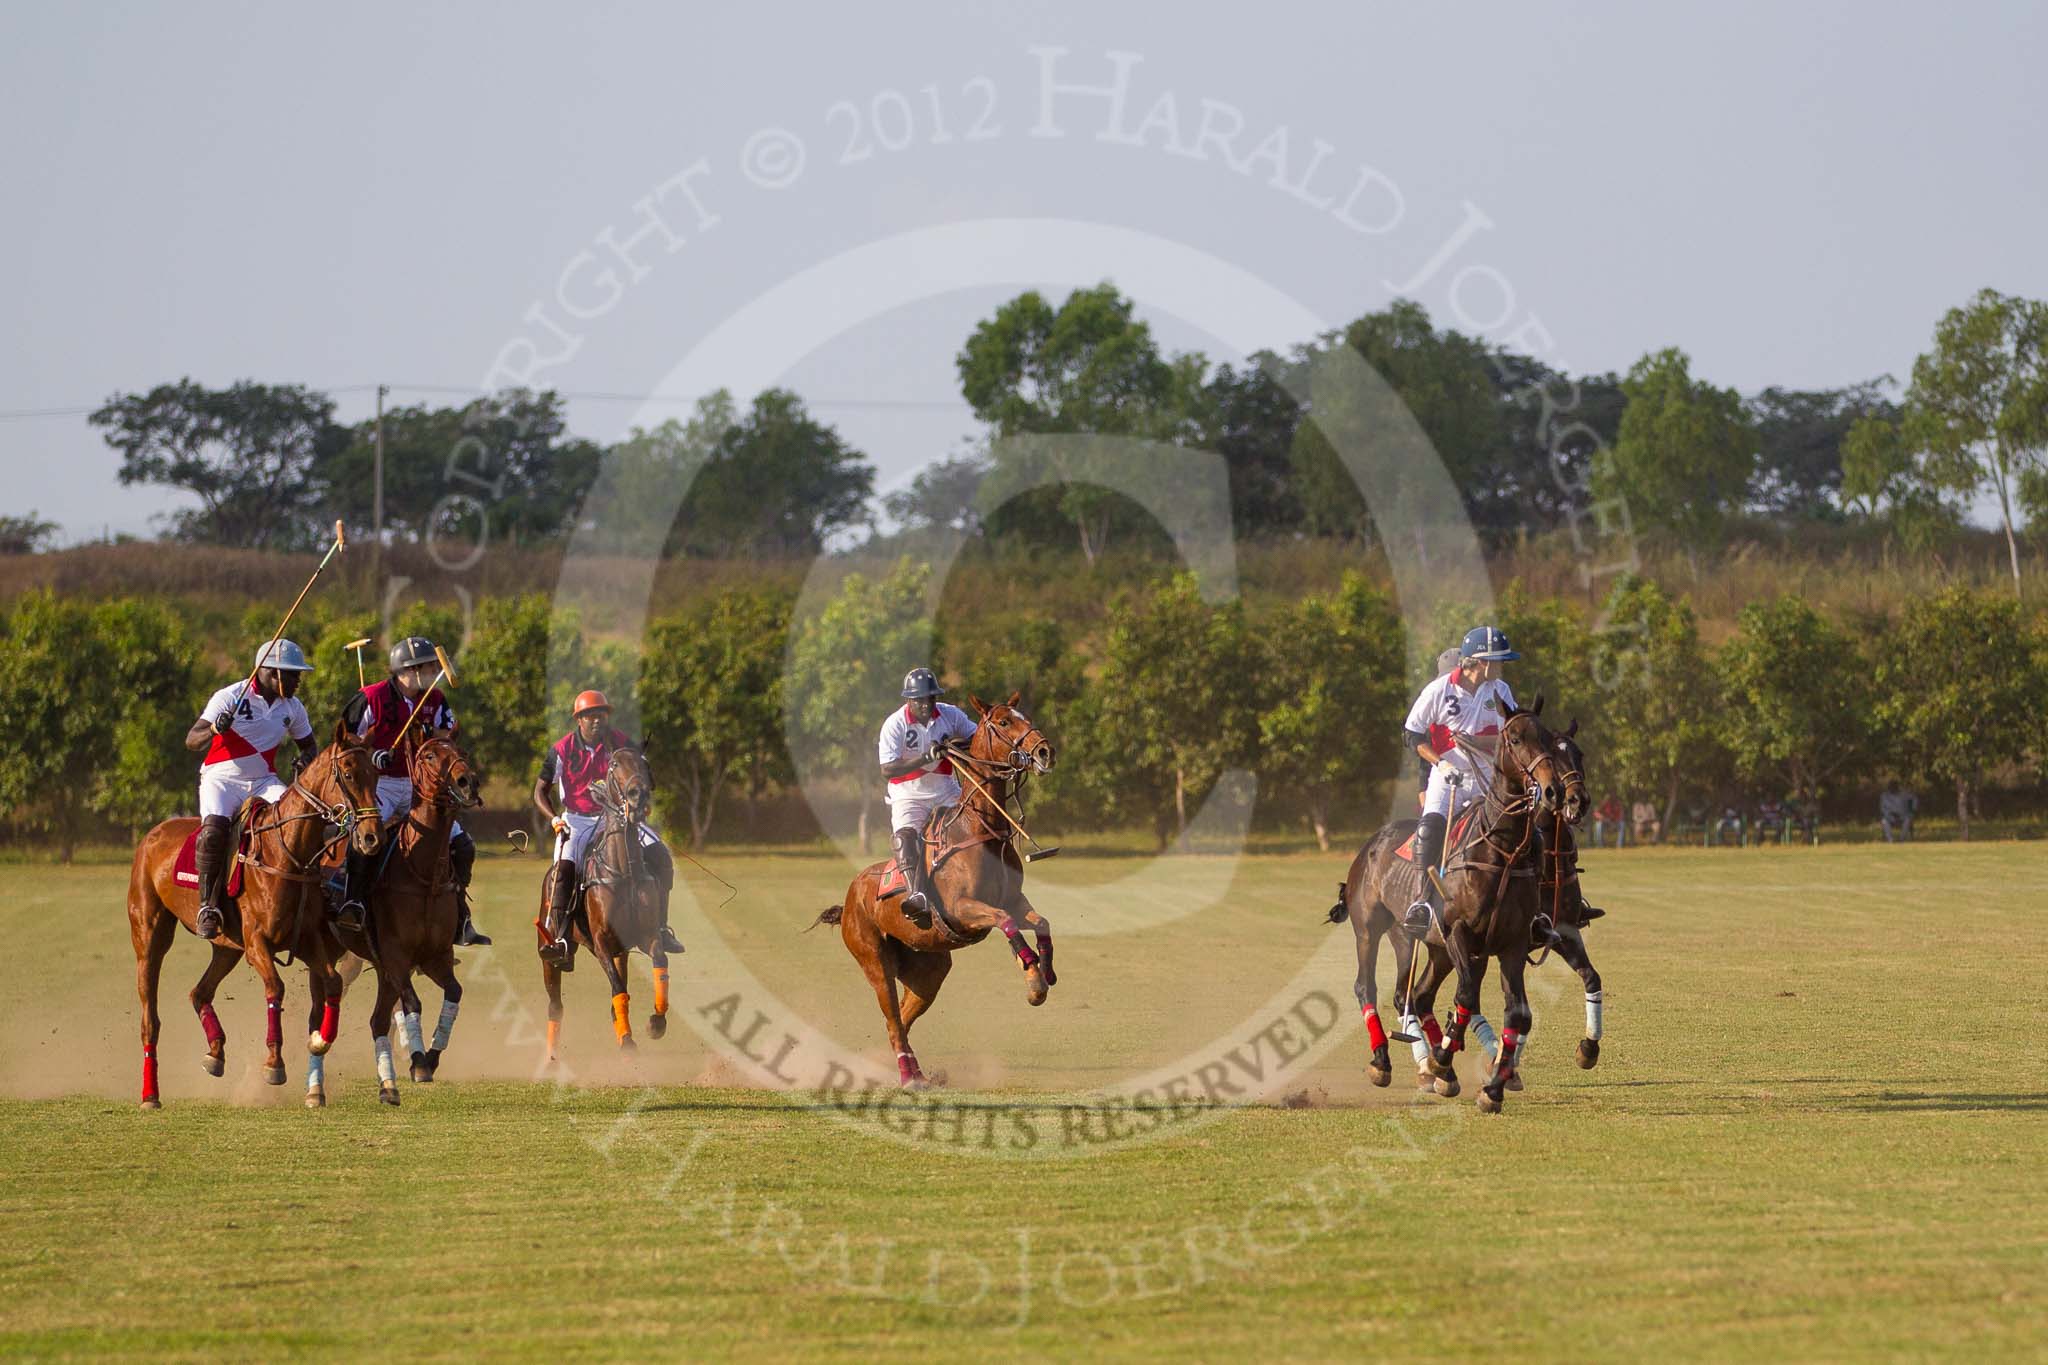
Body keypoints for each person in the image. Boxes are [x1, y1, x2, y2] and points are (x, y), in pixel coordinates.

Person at [339, 636, 488, 945]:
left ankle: (460, 916)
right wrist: (371, 754)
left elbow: (444, 740)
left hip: (418, 786)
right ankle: (353, 902)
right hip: (379, 785)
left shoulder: (434, 700)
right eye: (427, 667)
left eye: (434, 666)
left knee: (462, 845)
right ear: (406, 670)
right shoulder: (371, 697)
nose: (433, 672)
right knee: (366, 838)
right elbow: (344, 747)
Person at [533, 690, 683, 963]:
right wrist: (554, 818)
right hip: (576, 820)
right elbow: (540, 792)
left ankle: (661, 928)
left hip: (616, 815)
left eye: (601, 714)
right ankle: (560, 937)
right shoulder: (562, 749)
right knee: (563, 872)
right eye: (589, 715)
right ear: (578, 719)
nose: (596, 720)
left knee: (660, 855)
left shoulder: (620, 743)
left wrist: (640, 797)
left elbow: (643, 776)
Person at [182, 641, 319, 940]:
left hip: (263, 780)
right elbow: (192, 740)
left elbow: (310, 746)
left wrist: (306, 758)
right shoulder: (230, 696)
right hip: (222, 779)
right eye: (293, 675)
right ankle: (208, 906)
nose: (298, 681)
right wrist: (216, 728)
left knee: (301, 820)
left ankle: (308, 898)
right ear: (271, 673)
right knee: (215, 830)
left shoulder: (292, 708)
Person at [1399, 627, 1520, 938]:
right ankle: (1423, 902)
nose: (1502, 666)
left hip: (1489, 779)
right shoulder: (1438, 691)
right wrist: (1439, 763)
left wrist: (1480, 744)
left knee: (1521, 826)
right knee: (1430, 827)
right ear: (1480, 661)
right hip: (1448, 776)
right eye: (1498, 660)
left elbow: (1514, 736)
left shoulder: (1500, 690)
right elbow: (1411, 735)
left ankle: (1533, 905)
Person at [877, 667, 979, 926]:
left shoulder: (950, 714)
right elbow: (887, 768)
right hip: (908, 793)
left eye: (930, 698)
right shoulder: (895, 724)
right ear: (908, 699)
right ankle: (917, 894)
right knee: (904, 836)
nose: (926, 704)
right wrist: (926, 757)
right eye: (919, 699)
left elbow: (977, 739)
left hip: (945, 789)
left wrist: (955, 746)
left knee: (977, 822)